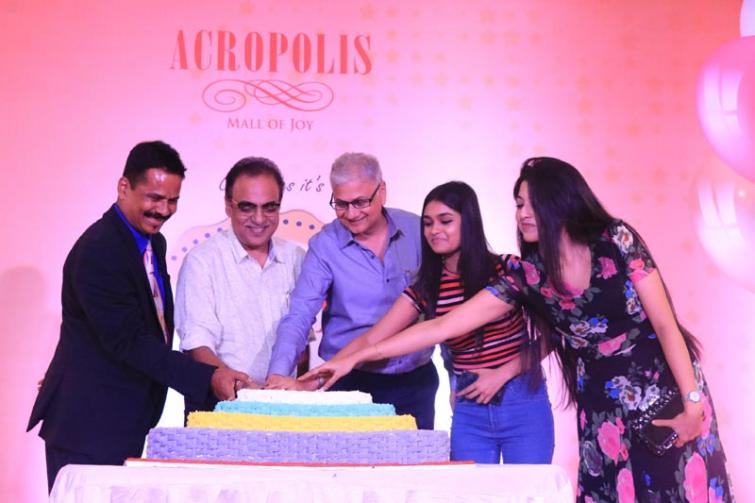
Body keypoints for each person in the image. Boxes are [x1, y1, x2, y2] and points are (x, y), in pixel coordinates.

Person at [305, 157, 733, 502]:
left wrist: (692, 401)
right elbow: (445, 325)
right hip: (600, 403)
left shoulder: (615, 239)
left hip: (663, 388)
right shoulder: (528, 274)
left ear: (559, 201)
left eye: (529, 204)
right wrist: (355, 358)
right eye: (517, 204)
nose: (521, 214)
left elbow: (665, 324)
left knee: (679, 489)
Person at [27, 141, 251, 491]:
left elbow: (154, 325)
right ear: (124, 187)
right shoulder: (100, 250)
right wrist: (209, 377)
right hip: (88, 423)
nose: (163, 210)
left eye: (172, 200)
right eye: (154, 198)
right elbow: (130, 341)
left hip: (124, 419)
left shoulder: (152, 242)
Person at [304, 181, 554, 463]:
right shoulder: (426, 286)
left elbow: (555, 333)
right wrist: (326, 372)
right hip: (470, 403)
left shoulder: (508, 268)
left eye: (445, 221)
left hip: (522, 397)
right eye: (427, 223)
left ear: (469, 222)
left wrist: (503, 374)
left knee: (530, 485)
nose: (434, 230)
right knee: (472, 486)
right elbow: (374, 337)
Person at [266, 152, 439, 429]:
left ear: (382, 191)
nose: (351, 213)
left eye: (360, 202)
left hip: (414, 381)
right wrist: (278, 376)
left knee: (415, 458)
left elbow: (452, 305)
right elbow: (299, 315)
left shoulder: (419, 230)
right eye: (341, 204)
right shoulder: (325, 245)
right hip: (349, 382)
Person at [176, 157, 305, 417]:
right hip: (220, 407)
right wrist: (237, 387)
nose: (259, 218)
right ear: (228, 205)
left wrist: (299, 394)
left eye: (269, 207)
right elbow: (197, 343)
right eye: (247, 207)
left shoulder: (296, 258)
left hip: (285, 410)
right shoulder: (202, 261)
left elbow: (302, 341)